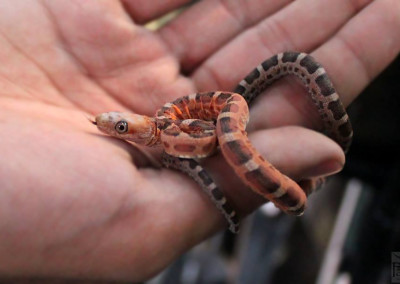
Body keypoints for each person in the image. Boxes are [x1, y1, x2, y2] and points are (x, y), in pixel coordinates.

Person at [0, 0, 398, 282]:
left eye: (120, 127)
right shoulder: (176, 130)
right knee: (302, 191)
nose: (113, 126)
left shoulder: (192, 123)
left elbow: (218, 122)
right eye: (117, 126)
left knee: (326, 151)